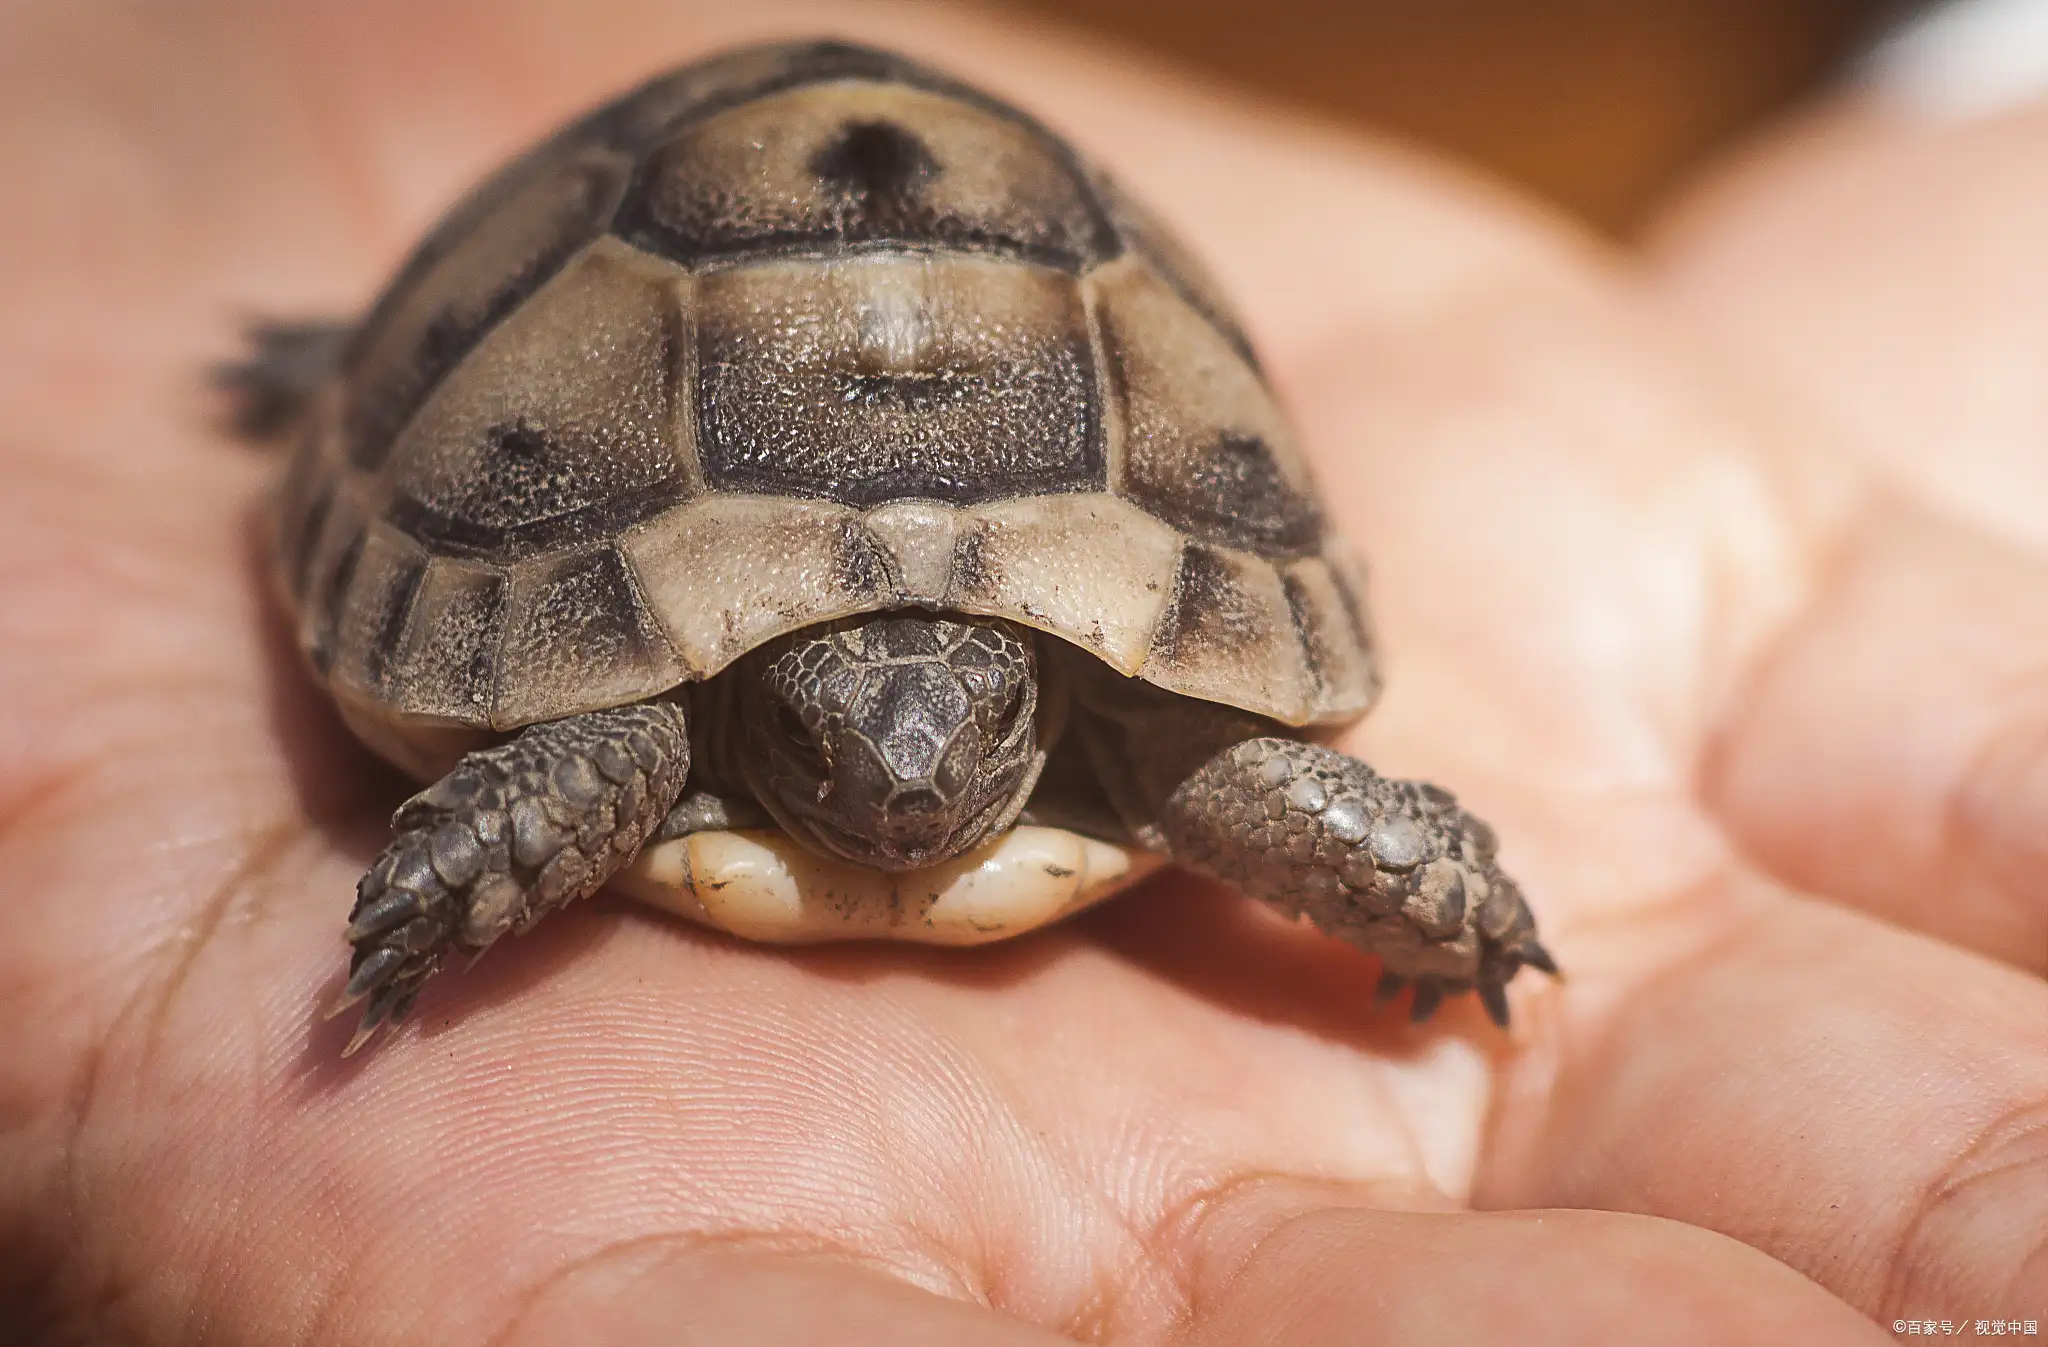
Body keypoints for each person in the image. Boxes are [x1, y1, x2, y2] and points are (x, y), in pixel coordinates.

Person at [2, 3, 2042, 1342]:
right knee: (586, 752)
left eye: (971, 735)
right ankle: (373, 340)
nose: (901, 782)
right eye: (821, 735)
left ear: (1033, 709)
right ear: (754, 710)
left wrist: (1438, 899)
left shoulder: (1128, 739)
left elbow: (1260, 782)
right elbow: (578, 765)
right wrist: (454, 871)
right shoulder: (646, 732)